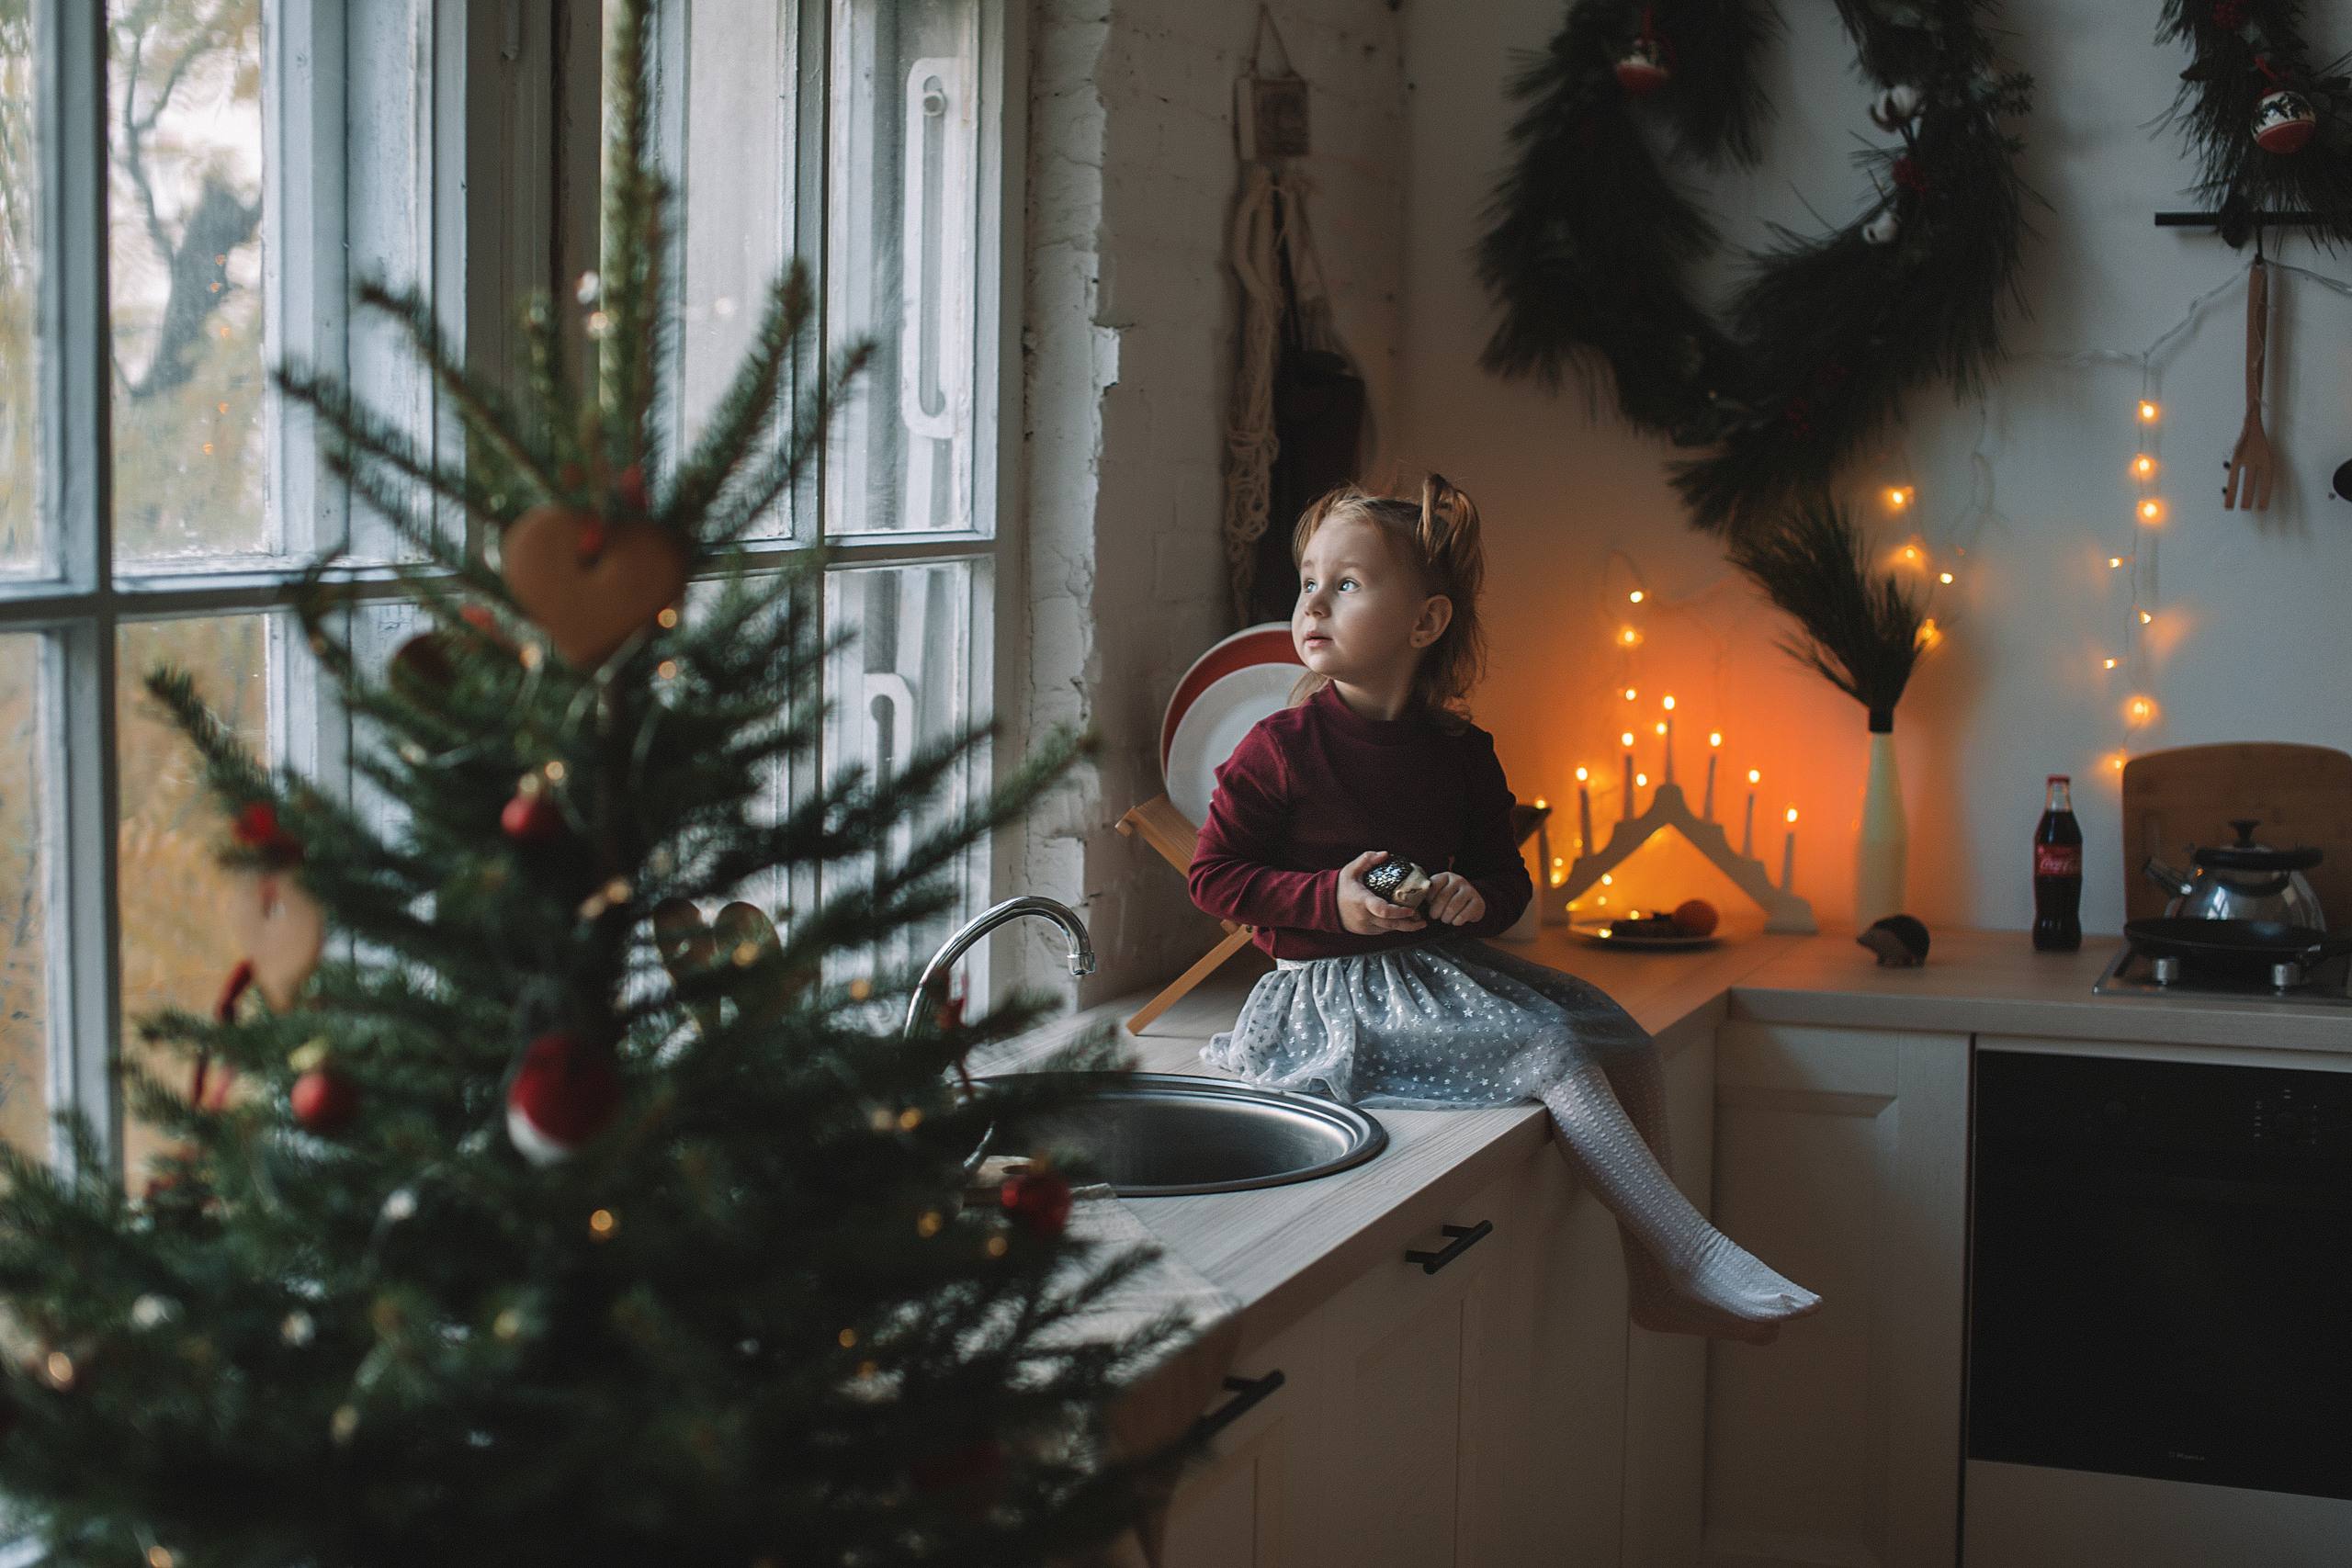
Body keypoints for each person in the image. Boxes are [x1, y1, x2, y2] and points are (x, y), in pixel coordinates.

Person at [1189, 476, 1820, 1343]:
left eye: (1346, 584)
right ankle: (1690, 1251)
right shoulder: (1279, 749)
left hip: (1432, 977)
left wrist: (1469, 895)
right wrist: (1329, 899)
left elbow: (1506, 888)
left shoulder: (1461, 754)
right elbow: (1214, 876)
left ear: (1426, 623)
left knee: (1615, 1030)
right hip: (1325, 1001)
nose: (1314, 604)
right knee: (1551, 1045)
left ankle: (1656, 1281)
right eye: (1307, 581)